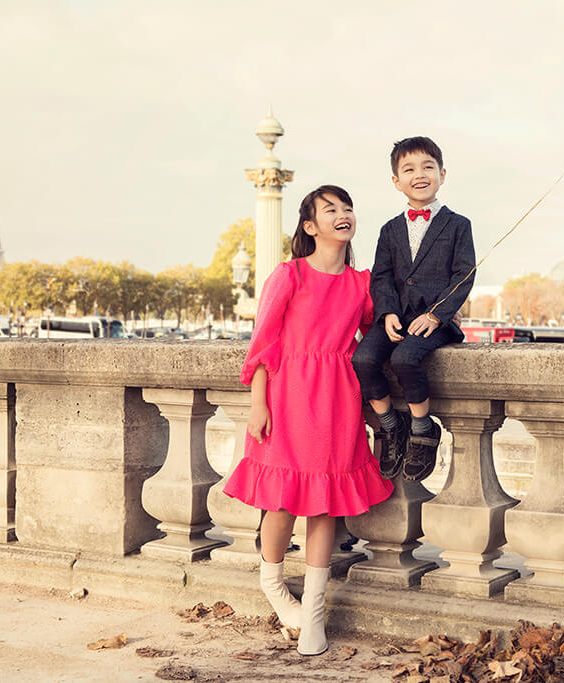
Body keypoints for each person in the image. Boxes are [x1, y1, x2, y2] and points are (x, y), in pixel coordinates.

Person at [223, 185, 394, 656]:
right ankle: (274, 586)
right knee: (280, 502)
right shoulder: (290, 274)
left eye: (347, 208)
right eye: (330, 210)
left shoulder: (361, 283)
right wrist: (259, 404)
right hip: (287, 394)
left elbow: (373, 336)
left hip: (338, 398)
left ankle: (314, 611)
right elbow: (263, 346)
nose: (343, 215)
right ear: (310, 226)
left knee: (323, 504)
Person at [352, 136, 476, 483]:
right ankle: (391, 426)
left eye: (427, 167)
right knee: (362, 360)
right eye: (408, 169)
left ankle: (423, 428)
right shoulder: (389, 229)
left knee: (405, 359)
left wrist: (437, 314)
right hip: (395, 318)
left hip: (433, 321)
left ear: (442, 173)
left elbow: (464, 274)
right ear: (396, 181)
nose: (419, 175)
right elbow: (382, 277)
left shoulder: (457, 224)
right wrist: (387, 313)